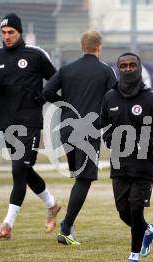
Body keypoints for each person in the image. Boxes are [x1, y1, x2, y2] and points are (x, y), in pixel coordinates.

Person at [0, 13, 61, 239]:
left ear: (19, 32)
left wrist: (43, 97)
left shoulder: (35, 55)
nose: (7, 36)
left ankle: (7, 225)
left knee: (18, 170)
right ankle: (52, 205)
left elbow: (55, 79)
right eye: (3, 33)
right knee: (24, 170)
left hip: (31, 122)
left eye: (11, 32)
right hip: (6, 123)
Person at [41, 30, 117, 245]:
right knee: (84, 180)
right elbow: (114, 98)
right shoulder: (105, 71)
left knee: (79, 178)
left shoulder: (67, 69)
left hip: (66, 129)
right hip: (89, 130)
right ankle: (66, 227)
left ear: (82, 46)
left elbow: (46, 92)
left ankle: (69, 225)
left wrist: (64, 101)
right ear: (99, 47)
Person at [100, 53, 153, 262]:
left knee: (135, 210)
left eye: (132, 65)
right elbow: (105, 128)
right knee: (123, 211)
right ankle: (148, 230)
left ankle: (133, 257)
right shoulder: (109, 98)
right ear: (118, 68)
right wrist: (111, 138)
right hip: (119, 163)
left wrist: (144, 142)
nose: (128, 68)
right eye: (124, 65)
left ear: (139, 69)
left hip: (144, 165)